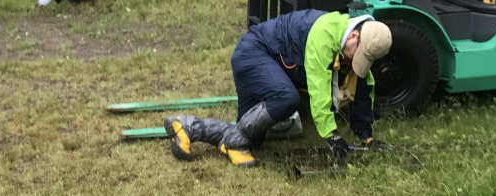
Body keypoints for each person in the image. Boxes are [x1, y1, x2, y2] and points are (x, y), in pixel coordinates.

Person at [163, 10, 392, 168]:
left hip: (267, 61)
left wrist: (367, 137)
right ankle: (232, 142)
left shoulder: (349, 42)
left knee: (251, 137)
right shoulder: (324, 36)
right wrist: (331, 136)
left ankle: (187, 127)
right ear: (353, 36)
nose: (356, 60)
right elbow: (319, 89)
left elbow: (362, 86)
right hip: (253, 53)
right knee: (286, 98)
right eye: (358, 54)